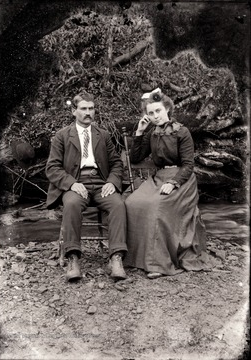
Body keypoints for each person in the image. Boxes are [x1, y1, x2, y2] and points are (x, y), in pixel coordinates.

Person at [124, 88, 211, 279]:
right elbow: (136, 157)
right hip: (158, 178)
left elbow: (188, 165)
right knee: (131, 203)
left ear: (167, 109)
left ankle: (158, 263)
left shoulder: (182, 132)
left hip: (181, 180)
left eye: (158, 111)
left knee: (157, 206)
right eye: (151, 113)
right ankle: (134, 258)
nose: (156, 116)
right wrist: (139, 132)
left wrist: (173, 183)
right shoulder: (151, 134)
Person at [46, 92, 127, 281]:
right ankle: (73, 258)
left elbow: (116, 163)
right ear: (74, 111)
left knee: (118, 204)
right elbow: (52, 167)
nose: (88, 112)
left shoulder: (103, 135)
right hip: (75, 183)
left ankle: (116, 258)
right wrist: (72, 184)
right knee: (72, 205)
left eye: (91, 108)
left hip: (100, 182)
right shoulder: (62, 136)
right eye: (83, 109)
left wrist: (112, 182)